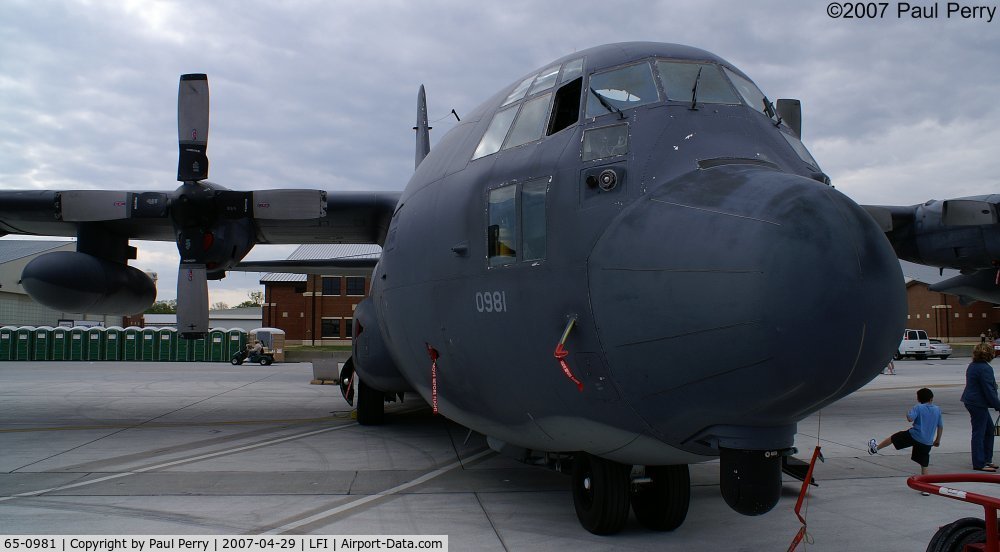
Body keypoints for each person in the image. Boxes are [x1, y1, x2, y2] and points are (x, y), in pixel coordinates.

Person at [868, 388, 943, 481]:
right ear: (931, 399)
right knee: (924, 463)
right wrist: (937, 440)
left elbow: (910, 419)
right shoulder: (937, 410)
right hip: (927, 441)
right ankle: (925, 487)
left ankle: (875, 448)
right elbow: (940, 426)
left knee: (894, 438)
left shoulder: (918, 407)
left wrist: (908, 413)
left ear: (918, 399)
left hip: (914, 435)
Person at [961, 342, 1000, 472]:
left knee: (989, 429)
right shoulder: (985, 368)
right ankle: (979, 463)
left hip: (972, 401)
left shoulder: (973, 366)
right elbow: (988, 389)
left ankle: (986, 459)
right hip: (978, 403)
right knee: (979, 432)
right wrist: (997, 405)